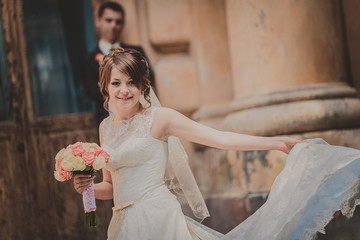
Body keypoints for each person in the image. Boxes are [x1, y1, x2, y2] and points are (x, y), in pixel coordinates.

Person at [74, 48, 360, 240]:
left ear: (142, 86)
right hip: (122, 225)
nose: (124, 91)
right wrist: (87, 189)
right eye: (116, 83)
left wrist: (275, 142)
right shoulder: (105, 128)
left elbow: (219, 138)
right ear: (105, 86)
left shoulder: (159, 118)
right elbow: (111, 187)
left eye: (131, 83)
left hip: (158, 219)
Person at [82, 1, 154, 125]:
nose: (113, 25)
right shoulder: (88, 60)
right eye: (108, 20)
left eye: (118, 21)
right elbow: (91, 92)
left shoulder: (136, 51)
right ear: (98, 21)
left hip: (140, 117)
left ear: (123, 24)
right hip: (107, 119)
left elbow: (149, 78)